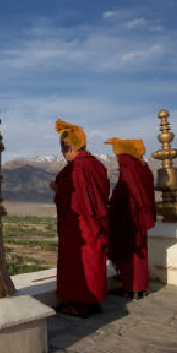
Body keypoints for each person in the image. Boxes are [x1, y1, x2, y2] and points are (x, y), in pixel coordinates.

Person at [50, 119, 110, 318]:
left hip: (80, 226)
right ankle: (94, 303)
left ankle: (80, 305)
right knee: (93, 262)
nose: (62, 152)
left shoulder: (78, 169)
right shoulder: (96, 165)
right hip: (96, 223)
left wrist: (58, 189)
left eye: (63, 147)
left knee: (80, 263)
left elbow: (75, 198)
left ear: (69, 147)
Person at [105, 137, 156, 299]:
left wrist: (112, 204)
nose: (118, 161)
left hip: (129, 219)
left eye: (118, 157)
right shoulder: (144, 168)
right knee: (140, 251)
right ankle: (140, 288)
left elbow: (129, 192)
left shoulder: (129, 167)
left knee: (130, 254)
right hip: (140, 218)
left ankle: (131, 288)